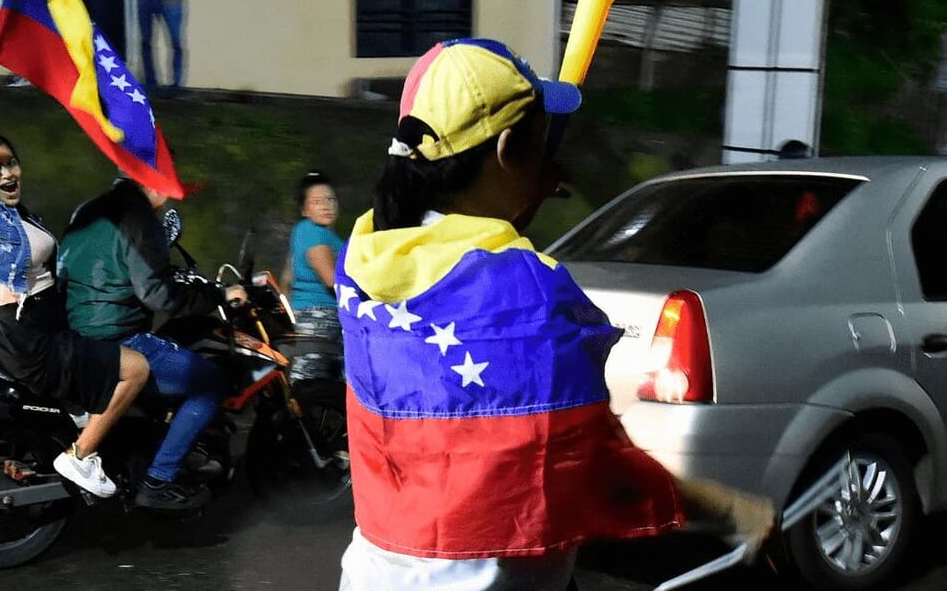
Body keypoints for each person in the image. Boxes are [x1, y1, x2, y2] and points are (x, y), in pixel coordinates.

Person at [334, 39, 775, 590]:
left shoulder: (366, 259)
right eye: (542, 145)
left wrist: (515, 198)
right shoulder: (530, 294)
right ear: (508, 148)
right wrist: (730, 508)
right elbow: (589, 462)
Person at [0, 61, 149, 498]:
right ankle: (79, 456)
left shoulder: (21, 216)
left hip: (40, 328)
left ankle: (67, 438)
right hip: (29, 339)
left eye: (12, 163)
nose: (8, 174)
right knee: (136, 370)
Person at [57, 175, 247, 510]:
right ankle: (159, 480)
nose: (171, 200)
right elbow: (159, 295)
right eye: (171, 189)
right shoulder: (140, 218)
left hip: (76, 331)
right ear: (156, 183)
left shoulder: (89, 208)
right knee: (212, 383)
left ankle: (148, 449)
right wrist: (216, 294)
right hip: (118, 335)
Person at [280, 171, 345, 382]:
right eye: (317, 202)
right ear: (305, 210)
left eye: (330, 199)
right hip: (320, 318)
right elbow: (332, 280)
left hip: (313, 318)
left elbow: (287, 279)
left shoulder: (316, 232)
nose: (326, 205)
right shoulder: (312, 231)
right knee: (310, 387)